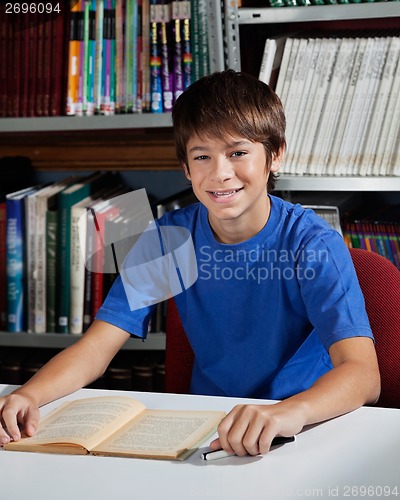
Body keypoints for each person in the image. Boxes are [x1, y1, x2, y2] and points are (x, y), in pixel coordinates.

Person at [0, 70, 380, 457]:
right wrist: (29, 394)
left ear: (275, 154)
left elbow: (363, 374)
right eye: (202, 156)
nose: (220, 173)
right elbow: (98, 347)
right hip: (206, 428)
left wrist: (287, 413)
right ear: (185, 167)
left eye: (238, 152)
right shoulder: (168, 240)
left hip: (300, 426)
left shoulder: (313, 244)